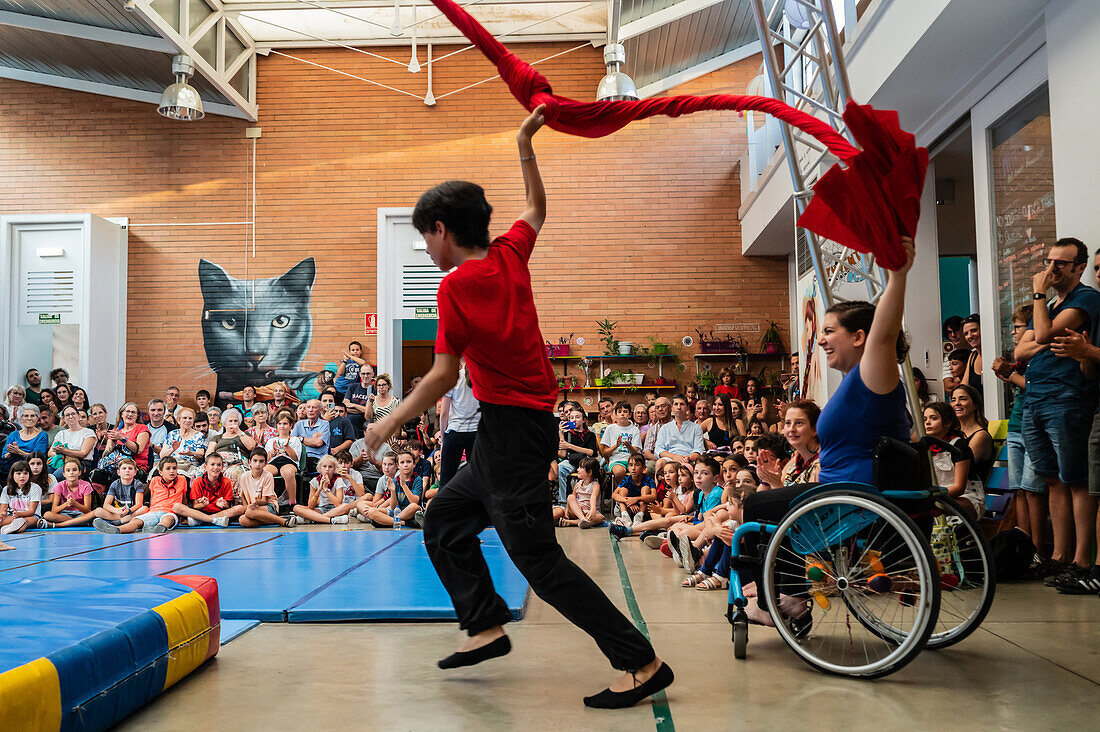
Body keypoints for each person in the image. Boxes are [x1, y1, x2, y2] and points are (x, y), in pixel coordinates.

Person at [361, 106, 670, 708]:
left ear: (443, 229)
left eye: (425, 235)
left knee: (539, 562)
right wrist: (525, 142)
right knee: (445, 521)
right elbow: (537, 209)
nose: (425, 247)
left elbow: (444, 374)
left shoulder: (455, 286)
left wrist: (390, 419)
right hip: (515, 432)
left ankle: (642, 662)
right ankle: (484, 627)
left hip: (512, 434)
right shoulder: (508, 254)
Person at [740, 237, 915, 627]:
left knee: (755, 508)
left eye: (829, 331)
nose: (820, 339)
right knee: (766, 502)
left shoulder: (874, 376)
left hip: (851, 490)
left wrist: (897, 275)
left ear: (859, 338)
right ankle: (776, 588)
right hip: (838, 485)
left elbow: (884, 334)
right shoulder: (855, 381)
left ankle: (781, 599)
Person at [1014, 237, 1100, 589]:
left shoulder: (1086, 298)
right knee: (1052, 480)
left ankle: (1081, 559)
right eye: (1049, 261)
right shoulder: (1051, 303)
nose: (1051, 269)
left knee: (1076, 480)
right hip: (1036, 397)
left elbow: (1045, 333)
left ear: (1079, 268)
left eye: (1061, 263)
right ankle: (1059, 556)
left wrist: (1037, 295)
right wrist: (1041, 334)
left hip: (1067, 397)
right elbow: (1022, 349)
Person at [994, 305, 1047, 566]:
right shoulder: (1023, 359)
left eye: (1017, 327)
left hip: (1034, 427)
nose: (1013, 333)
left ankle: (1038, 549)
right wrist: (1007, 374)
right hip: (1016, 425)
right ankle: (1023, 544)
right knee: (1019, 491)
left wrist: (1011, 375)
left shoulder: (1040, 354)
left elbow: (1033, 386)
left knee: (1033, 490)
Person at [923, 402, 984, 519]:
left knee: (933, 508)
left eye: (934, 418)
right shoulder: (925, 448)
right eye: (925, 419)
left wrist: (931, 496)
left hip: (967, 498)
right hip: (936, 498)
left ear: (948, 422)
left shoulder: (959, 446)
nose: (927, 422)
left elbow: (959, 488)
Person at [94, 457, 185, 534]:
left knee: (167, 519)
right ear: (160, 472)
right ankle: (117, 529)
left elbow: (183, 498)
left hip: (170, 512)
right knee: (136, 521)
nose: (172, 471)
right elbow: (152, 498)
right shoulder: (154, 480)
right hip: (153, 512)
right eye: (168, 468)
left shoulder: (182, 479)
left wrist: (182, 516)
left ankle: (158, 528)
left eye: (174, 468)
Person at [439, 362, 480, 487]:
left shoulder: (453, 378)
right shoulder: (483, 378)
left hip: (455, 432)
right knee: (477, 483)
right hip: (476, 433)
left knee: (446, 482)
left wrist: (443, 438)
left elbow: (444, 413)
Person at [175, 453, 243, 527]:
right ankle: (213, 520)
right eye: (212, 464)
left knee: (240, 508)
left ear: (222, 467)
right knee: (177, 507)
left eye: (219, 465)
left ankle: (201, 520)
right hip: (201, 512)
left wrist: (222, 505)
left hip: (220, 513)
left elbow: (227, 505)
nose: (216, 467)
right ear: (205, 467)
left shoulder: (227, 481)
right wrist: (203, 505)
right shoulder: (197, 481)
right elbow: (195, 506)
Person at [238, 449, 297, 528]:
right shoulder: (244, 476)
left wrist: (256, 503)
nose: (258, 464)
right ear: (249, 462)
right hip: (252, 508)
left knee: (249, 512)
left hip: (268, 506)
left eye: (261, 461)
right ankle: (279, 520)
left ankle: (284, 522)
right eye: (255, 461)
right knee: (243, 520)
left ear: (266, 463)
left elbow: (264, 501)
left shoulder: (268, 475)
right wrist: (246, 507)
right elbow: (242, 495)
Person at [292, 454, 353, 525]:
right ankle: (330, 520)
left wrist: (326, 489)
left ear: (334, 469)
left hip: (335, 510)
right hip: (321, 509)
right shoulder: (314, 481)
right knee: (296, 508)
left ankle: (314, 519)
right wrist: (319, 489)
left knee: (346, 506)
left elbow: (338, 504)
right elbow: (310, 506)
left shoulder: (338, 480)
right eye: (324, 466)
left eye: (330, 467)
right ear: (320, 468)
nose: (327, 469)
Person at [951, 385, 993, 480]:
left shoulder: (980, 436)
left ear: (975, 404)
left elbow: (961, 468)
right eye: (953, 400)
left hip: (970, 490)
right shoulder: (954, 432)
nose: (956, 403)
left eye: (963, 399)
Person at [557, 406, 598, 503]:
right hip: (571, 461)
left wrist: (570, 446)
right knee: (560, 468)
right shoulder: (568, 434)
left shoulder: (590, 434)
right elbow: (563, 455)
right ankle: (562, 502)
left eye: (577, 417)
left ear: (584, 420)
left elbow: (591, 452)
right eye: (571, 418)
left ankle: (588, 502)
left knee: (594, 469)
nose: (574, 420)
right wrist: (561, 433)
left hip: (585, 463)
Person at [654, 394, 704, 473]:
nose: (678, 407)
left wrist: (686, 458)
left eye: (682, 404)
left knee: (687, 466)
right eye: (676, 404)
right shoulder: (664, 428)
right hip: (670, 458)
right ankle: (658, 486)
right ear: (672, 408)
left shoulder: (696, 428)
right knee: (659, 463)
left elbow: (698, 450)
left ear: (687, 407)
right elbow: (658, 450)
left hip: (688, 459)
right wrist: (674, 457)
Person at [207, 408, 255, 487]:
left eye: (235, 421)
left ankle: (234, 498)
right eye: (230, 421)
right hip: (218, 460)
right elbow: (209, 452)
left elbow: (251, 446)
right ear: (224, 423)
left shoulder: (244, 434)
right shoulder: (217, 437)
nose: (233, 423)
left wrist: (239, 432)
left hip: (237, 461)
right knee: (201, 471)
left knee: (234, 473)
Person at [552, 457, 604, 528]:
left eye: (581, 468)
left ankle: (572, 522)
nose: (577, 469)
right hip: (578, 511)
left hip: (589, 512)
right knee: (570, 496)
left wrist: (592, 510)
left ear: (590, 472)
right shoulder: (578, 484)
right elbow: (570, 501)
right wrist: (567, 512)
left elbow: (593, 498)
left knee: (600, 517)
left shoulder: (595, 485)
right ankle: (582, 519)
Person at [599, 400, 643, 486]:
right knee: (619, 472)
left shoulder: (635, 429)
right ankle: (620, 494)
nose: (622, 414)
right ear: (615, 414)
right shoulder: (610, 428)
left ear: (630, 415)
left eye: (625, 411)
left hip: (632, 460)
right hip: (616, 460)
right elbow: (605, 452)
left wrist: (628, 446)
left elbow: (635, 452)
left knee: (643, 471)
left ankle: (634, 494)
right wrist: (616, 445)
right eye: (619, 412)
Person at [42, 458, 96, 527]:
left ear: (79, 473)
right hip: (65, 514)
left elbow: (87, 510)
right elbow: (54, 510)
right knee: (47, 515)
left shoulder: (86, 485)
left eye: (74, 470)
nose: (71, 473)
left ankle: (61, 524)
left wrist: (74, 503)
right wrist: (66, 504)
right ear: (64, 474)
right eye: (68, 470)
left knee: (95, 513)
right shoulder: (60, 485)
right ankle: (78, 522)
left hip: (81, 513)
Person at [93, 458, 147, 525]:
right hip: (119, 513)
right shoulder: (115, 484)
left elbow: (139, 504)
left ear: (135, 472)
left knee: (144, 509)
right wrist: (117, 510)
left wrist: (128, 511)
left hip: (132, 512)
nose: (127, 470)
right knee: (98, 511)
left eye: (130, 468)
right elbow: (106, 505)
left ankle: (117, 522)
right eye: (124, 468)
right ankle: (122, 520)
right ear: (118, 472)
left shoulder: (138, 484)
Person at [48, 405, 95, 480]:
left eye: (73, 414)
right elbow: (50, 453)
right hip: (61, 461)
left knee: (56, 476)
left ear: (78, 416)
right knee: (43, 474)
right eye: (67, 415)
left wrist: (64, 451)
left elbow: (83, 453)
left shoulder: (88, 432)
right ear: (64, 419)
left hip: (80, 463)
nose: (70, 416)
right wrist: (61, 453)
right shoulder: (61, 433)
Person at [265, 412, 303, 505]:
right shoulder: (271, 441)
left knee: (288, 472)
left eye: (285, 424)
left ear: (290, 426)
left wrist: (287, 447)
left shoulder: (295, 440)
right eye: (280, 424)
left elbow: (296, 458)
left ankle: (292, 502)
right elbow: (267, 460)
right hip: (274, 462)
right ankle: (268, 500)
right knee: (264, 472)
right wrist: (272, 452)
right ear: (277, 426)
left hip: (289, 462)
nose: (282, 426)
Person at [779, 400, 820, 485]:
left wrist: (775, 484)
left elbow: (810, 497)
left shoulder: (822, 464)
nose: (791, 429)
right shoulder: (794, 462)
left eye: (799, 423)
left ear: (814, 428)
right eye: (788, 423)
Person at [2, 404, 48, 480]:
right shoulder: (13, 435)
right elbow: (4, 455)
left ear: (37, 418)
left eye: (33, 416)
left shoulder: (42, 435)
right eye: (26, 416)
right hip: (11, 468)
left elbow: (38, 457)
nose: (29, 418)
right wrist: (10, 453)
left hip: (32, 469)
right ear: (21, 418)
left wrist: (18, 452)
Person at [0, 460, 48, 534]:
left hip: (32, 516)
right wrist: (2, 515)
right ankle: (8, 527)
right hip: (13, 516)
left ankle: (10, 527)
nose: (22, 476)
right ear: (12, 475)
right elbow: (3, 508)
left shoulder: (35, 487)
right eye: (18, 473)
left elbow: (32, 511)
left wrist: (19, 515)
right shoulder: (6, 489)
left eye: (25, 473)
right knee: (2, 520)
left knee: (24, 523)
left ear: (29, 474)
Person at [161, 408, 207, 479]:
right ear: (178, 420)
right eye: (185, 418)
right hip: (171, 465)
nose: (188, 420)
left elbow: (201, 454)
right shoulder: (172, 434)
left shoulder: (199, 435)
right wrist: (172, 449)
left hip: (189, 466)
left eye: (190, 418)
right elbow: (162, 456)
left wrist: (190, 453)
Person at [611, 454, 657, 523]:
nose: (633, 468)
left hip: (643, 510)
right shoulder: (626, 480)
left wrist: (637, 499)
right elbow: (614, 495)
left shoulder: (648, 480)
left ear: (643, 468)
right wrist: (628, 501)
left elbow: (654, 496)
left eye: (637, 465)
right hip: (627, 508)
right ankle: (625, 516)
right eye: (631, 465)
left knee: (645, 489)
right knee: (623, 490)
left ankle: (639, 517)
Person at [292, 399, 329, 476]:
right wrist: (311, 440)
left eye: (314, 407)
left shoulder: (324, 424)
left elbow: (318, 443)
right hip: (300, 458)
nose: (310, 410)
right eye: (308, 407)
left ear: (320, 410)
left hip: (317, 459)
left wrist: (301, 439)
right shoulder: (299, 424)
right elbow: (292, 442)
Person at [344, 364, 376, 433]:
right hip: (350, 427)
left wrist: (354, 405)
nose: (365, 376)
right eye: (363, 373)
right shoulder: (353, 387)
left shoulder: (375, 390)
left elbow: (372, 412)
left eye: (368, 373)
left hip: (366, 429)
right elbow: (345, 407)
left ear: (373, 374)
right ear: (360, 374)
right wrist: (364, 409)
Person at [942, 315, 966, 392]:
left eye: (956, 331)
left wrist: (957, 380)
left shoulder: (977, 351)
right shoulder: (949, 357)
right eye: (949, 332)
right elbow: (948, 387)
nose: (953, 335)